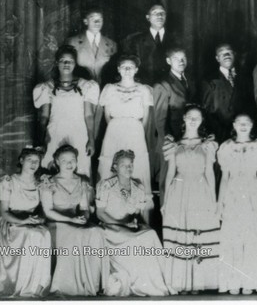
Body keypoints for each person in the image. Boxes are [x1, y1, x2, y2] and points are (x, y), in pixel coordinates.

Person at [96, 150, 174, 296]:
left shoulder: (138, 187)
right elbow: (100, 213)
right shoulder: (106, 185)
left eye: (130, 165)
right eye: (124, 165)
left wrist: (142, 225)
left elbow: (138, 214)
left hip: (129, 229)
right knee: (138, 239)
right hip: (111, 230)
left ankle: (153, 284)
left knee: (150, 234)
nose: (128, 168)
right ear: (115, 167)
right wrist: (121, 224)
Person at [0, 146, 51, 297]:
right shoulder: (8, 181)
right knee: (32, 235)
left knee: (45, 233)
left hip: (30, 222)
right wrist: (23, 221)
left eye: (37, 161)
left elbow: (44, 210)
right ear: (21, 161)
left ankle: (35, 285)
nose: (33, 164)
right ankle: (21, 284)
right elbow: (4, 212)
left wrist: (39, 218)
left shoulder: (40, 184)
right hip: (11, 224)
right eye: (30, 160)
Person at [162, 105, 220, 293]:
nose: (193, 120)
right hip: (179, 191)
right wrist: (165, 199)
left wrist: (214, 199)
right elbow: (170, 173)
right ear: (184, 119)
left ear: (202, 120)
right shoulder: (174, 145)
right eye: (190, 117)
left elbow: (210, 173)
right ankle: (181, 283)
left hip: (200, 190)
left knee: (198, 232)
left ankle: (196, 283)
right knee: (181, 233)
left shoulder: (207, 145)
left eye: (197, 117)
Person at [40, 145, 108, 296]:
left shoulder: (82, 181)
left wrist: (84, 218)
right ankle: (69, 286)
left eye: (73, 160)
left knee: (97, 232)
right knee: (77, 235)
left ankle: (93, 284)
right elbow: (48, 211)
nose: (69, 164)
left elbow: (84, 207)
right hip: (57, 223)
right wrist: (71, 219)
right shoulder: (48, 182)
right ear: (57, 162)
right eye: (65, 160)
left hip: (75, 221)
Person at [216, 114, 257, 295]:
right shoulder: (226, 147)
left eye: (247, 122)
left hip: (253, 195)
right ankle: (232, 281)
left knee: (251, 237)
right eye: (240, 123)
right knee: (232, 237)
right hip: (233, 196)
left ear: (252, 125)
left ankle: (249, 281)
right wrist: (220, 203)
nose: (243, 126)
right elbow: (224, 177)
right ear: (234, 125)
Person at [98, 55, 154, 223]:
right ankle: (109, 219)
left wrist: (133, 129)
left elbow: (146, 119)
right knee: (111, 167)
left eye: (131, 67)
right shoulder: (109, 89)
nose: (127, 70)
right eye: (124, 67)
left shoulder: (144, 90)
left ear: (136, 70)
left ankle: (141, 221)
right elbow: (107, 116)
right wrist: (118, 126)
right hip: (114, 131)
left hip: (135, 132)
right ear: (118, 69)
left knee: (136, 168)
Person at [34, 45, 99, 177]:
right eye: (63, 60)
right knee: (52, 170)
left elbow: (89, 115)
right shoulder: (47, 87)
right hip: (54, 134)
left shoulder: (86, 86)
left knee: (79, 170)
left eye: (70, 61)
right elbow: (44, 117)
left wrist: (91, 139)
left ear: (75, 64)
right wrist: (41, 142)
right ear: (57, 63)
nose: (66, 64)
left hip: (79, 134)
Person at [152, 47, 196, 201]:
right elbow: (160, 119)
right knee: (168, 180)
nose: (181, 61)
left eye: (184, 58)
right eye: (177, 58)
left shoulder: (190, 80)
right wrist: (167, 141)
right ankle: (166, 216)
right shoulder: (163, 85)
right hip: (171, 140)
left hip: (189, 139)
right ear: (168, 61)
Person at [201, 43, 251, 144]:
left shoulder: (246, 78)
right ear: (217, 58)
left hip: (244, 133)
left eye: (229, 52)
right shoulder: (209, 81)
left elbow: (251, 105)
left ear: (235, 54)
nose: (226, 55)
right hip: (220, 135)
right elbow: (207, 111)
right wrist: (220, 133)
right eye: (222, 53)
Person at [121, 4, 177, 85]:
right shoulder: (135, 40)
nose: (159, 15)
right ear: (148, 17)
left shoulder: (175, 40)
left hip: (169, 88)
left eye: (162, 13)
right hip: (143, 87)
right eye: (155, 13)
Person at [65, 7, 118, 85]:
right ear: (85, 21)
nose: (97, 22)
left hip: (104, 89)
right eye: (93, 18)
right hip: (81, 88)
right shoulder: (73, 42)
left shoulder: (112, 44)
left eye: (100, 19)